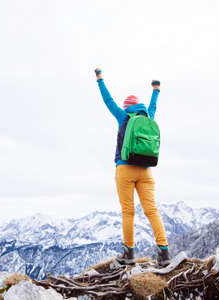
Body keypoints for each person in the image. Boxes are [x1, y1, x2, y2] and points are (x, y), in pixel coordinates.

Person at [94, 68, 170, 267]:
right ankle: (164, 253)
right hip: (146, 170)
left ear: (127, 107)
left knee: (128, 212)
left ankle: (128, 254)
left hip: (125, 169)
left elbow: (108, 100)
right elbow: (153, 105)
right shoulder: (148, 117)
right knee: (152, 210)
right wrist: (156, 89)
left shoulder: (123, 117)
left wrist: (100, 79)